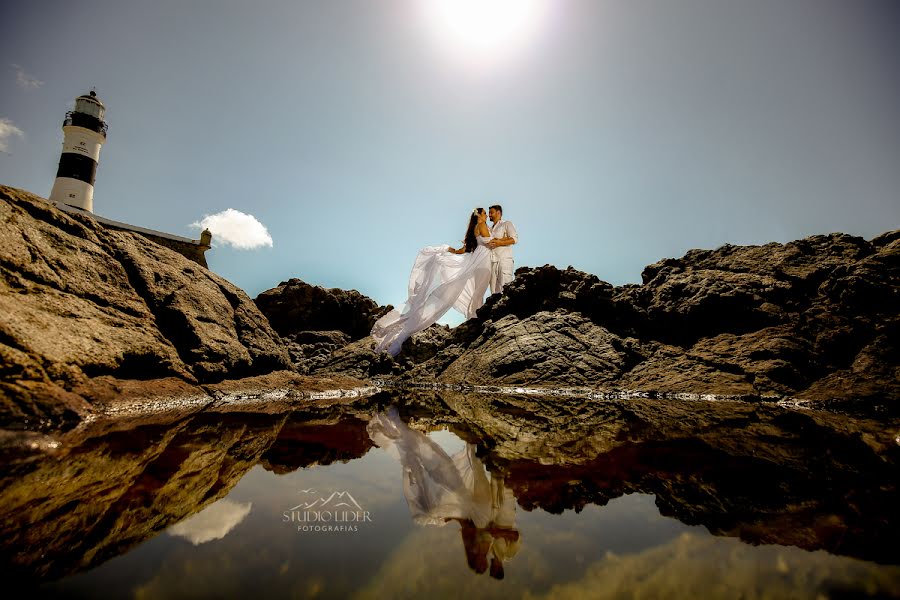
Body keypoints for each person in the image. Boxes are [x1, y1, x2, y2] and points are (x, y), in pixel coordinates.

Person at [371, 208, 493, 356]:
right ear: (479, 215)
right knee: (478, 291)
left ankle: (474, 317)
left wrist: (450, 250)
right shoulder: (482, 225)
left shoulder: (475, 228)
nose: (486, 215)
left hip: (478, 261)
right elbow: (491, 243)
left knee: (473, 291)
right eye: (485, 213)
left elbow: (464, 250)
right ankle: (475, 318)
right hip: (482, 262)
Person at [486, 205, 518, 294]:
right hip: (492, 263)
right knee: (494, 292)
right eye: (489, 213)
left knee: (506, 288)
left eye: (491, 212)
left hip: (504, 261)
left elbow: (514, 239)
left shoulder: (506, 224)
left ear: (498, 213)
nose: (489, 215)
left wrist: (499, 242)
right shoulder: (489, 229)